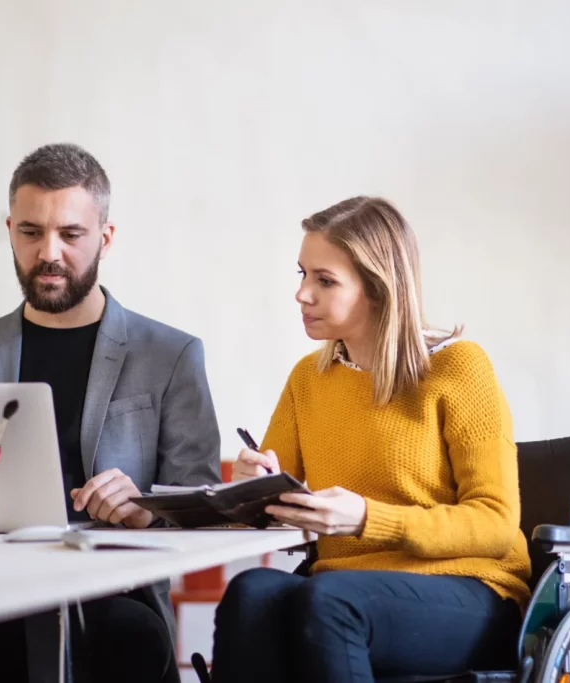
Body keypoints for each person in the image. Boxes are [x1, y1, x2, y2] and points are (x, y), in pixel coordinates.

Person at [209, 196, 532, 682]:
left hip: (470, 587)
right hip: (342, 588)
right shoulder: (309, 379)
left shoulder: (458, 368)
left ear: (378, 289)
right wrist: (253, 490)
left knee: (329, 602)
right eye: (302, 274)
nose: (301, 294)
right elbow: (276, 508)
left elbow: (496, 524)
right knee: (250, 594)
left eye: (324, 280)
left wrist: (366, 518)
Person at [0, 142, 222, 682]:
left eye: (70, 235)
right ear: (10, 231)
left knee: (119, 642)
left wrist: (145, 511)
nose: (49, 252)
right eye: (30, 232)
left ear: (105, 238)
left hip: (112, 593)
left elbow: (202, 505)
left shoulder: (171, 355)